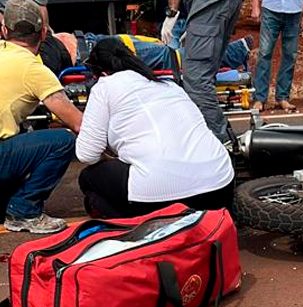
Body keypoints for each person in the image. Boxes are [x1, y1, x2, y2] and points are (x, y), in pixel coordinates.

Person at [76, 39, 235, 219]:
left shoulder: (105, 86)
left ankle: (134, 225)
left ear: (101, 73)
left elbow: (86, 154)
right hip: (219, 187)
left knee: (88, 179)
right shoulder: (169, 85)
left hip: (160, 197)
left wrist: (108, 158)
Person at [0, 0, 82, 233]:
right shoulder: (34, 70)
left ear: (4, 30)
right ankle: (25, 212)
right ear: (44, 33)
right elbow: (77, 123)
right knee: (62, 140)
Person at [161, 0, 242, 143]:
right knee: (204, 77)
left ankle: (221, 144)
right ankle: (224, 140)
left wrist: (172, 13)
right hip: (216, 6)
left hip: (208, 6)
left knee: (197, 82)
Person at [37, 30, 253, 77]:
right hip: (92, 50)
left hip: (93, 48)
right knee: (175, 57)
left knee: (174, 57)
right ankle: (233, 53)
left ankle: (233, 53)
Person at [251, 0, 303, 112]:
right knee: (264, 53)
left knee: (290, 55)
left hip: (294, 12)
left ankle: (283, 97)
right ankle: (259, 99)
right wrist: (255, 6)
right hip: (270, 9)